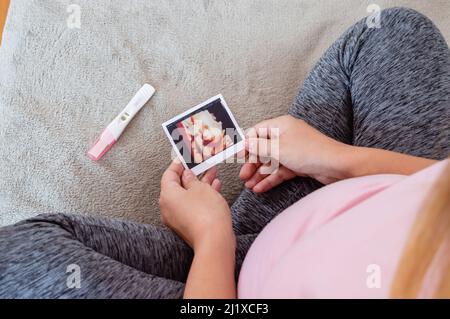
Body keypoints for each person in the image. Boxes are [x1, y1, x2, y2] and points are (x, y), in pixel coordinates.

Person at [0, 7, 449, 298]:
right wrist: (338, 163)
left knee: (21, 258)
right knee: (391, 32)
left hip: (236, 282)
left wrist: (210, 238)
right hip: (355, 201)